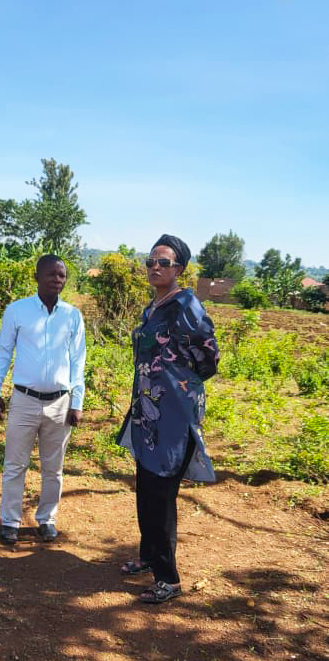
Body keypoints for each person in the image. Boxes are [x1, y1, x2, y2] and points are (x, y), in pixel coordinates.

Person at [117, 234, 219, 603]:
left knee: (161, 495)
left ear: (179, 269)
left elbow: (209, 358)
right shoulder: (154, 307)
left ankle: (168, 579)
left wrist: (179, 386)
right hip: (148, 415)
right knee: (146, 488)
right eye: (151, 261)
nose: (155, 267)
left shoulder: (185, 306)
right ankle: (148, 556)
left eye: (164, 262)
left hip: (173, 418)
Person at [0, 254, 86, 545]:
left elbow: (78, 361)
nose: (57, 279)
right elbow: (4, 351)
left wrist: (77, 402)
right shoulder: (17, 311)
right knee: (15, 465)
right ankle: (10, 522)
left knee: (53, 468)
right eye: (51, 274)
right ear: (37, 277)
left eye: (61, 275)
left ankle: (47, 520)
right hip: (24, 400)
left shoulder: (72, 315)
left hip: (60, 403)